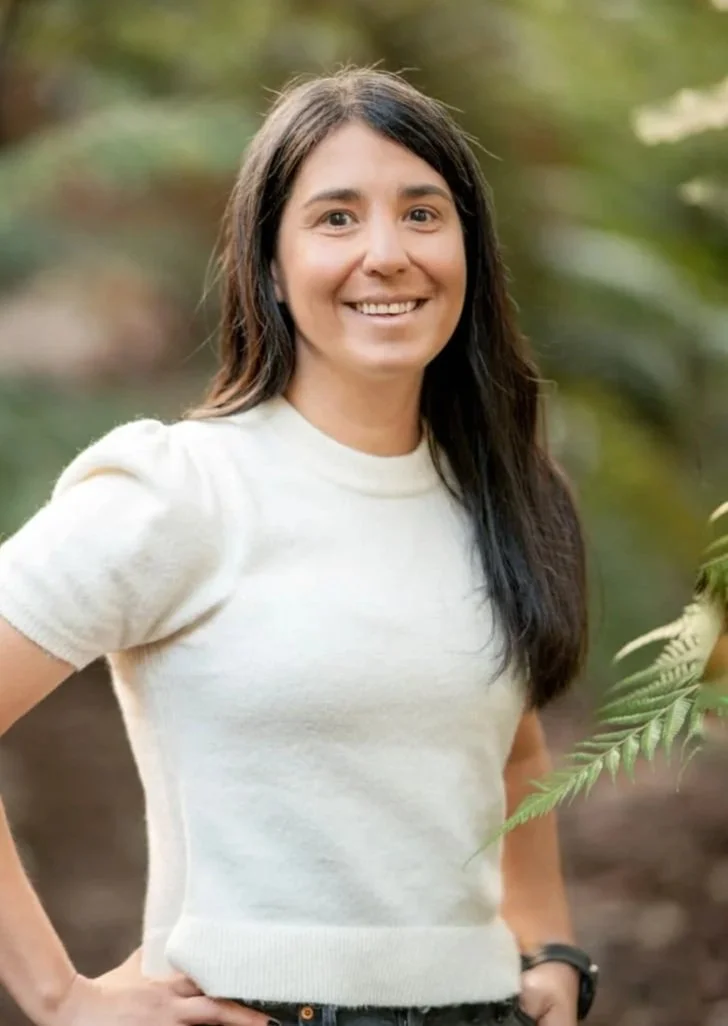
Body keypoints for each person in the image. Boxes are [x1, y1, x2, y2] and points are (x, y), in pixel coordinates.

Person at [0, 68, 598, 1026]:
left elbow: (511, 751)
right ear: (269, 265)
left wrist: (552, 952)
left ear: (470, 251)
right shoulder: (181, 491)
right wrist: (60, 998)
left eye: (422, 213)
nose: (386, 252)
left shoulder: (506, 495)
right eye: (335, 218)